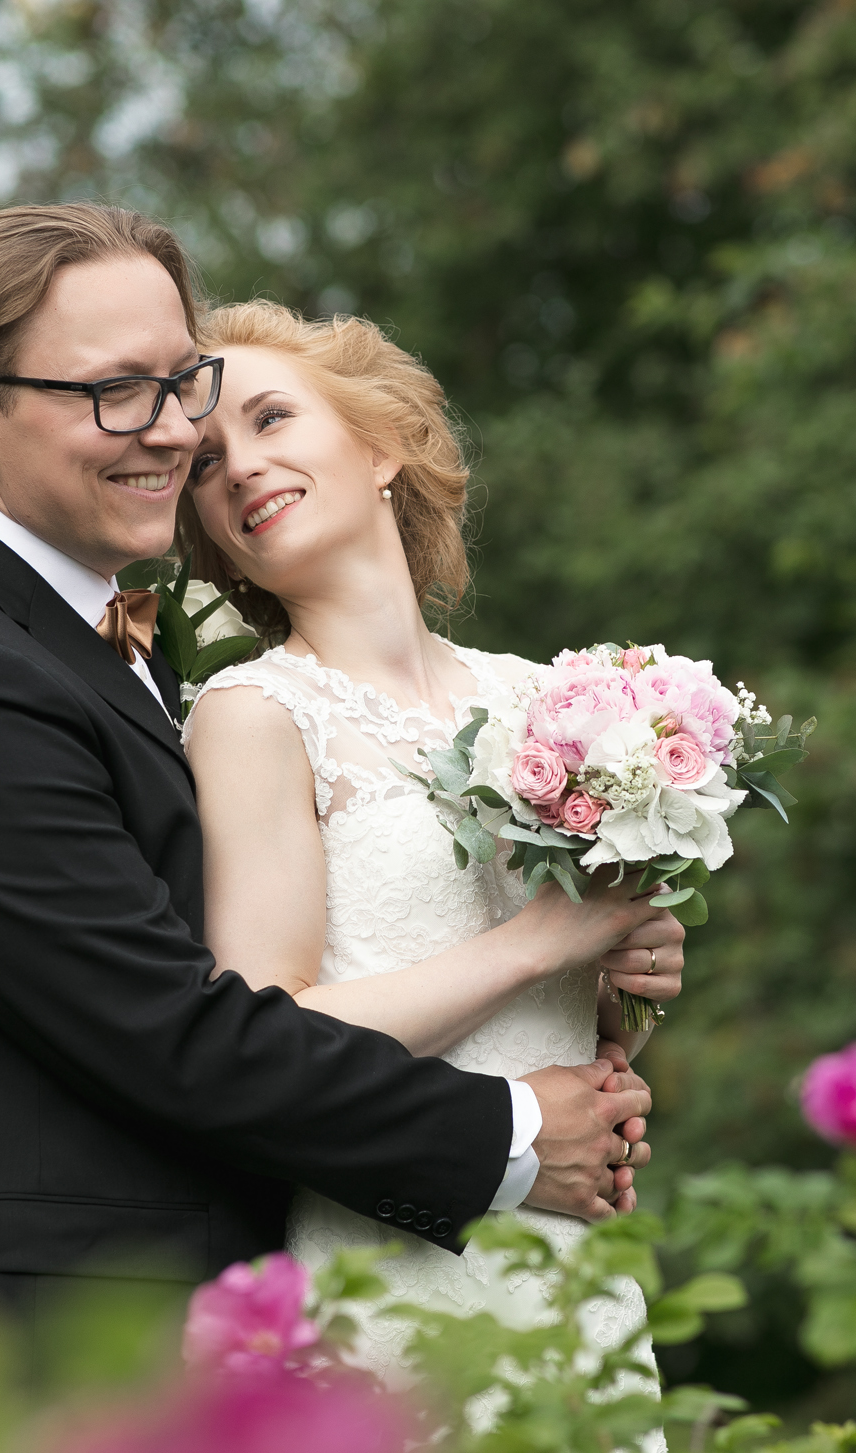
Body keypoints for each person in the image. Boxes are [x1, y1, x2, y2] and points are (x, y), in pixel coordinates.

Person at [0, 202, 666, 1317]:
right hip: (52, 1336)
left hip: (224, 1300)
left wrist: (610, 960)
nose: (169, 431)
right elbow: (168, 1035)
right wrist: (519, 1131)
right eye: (118, 390)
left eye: (178, 383)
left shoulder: (91, 640)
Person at [176, 298, 684, 1385]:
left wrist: (631, 981)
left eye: (271, 417)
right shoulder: (254, 714)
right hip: (393, 1267)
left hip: (573, 1264)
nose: (240, 467)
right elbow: (268, 1035)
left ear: (380, 449)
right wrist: (542, 942)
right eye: (205, 462)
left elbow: (589, 1024)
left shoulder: (544, 697)